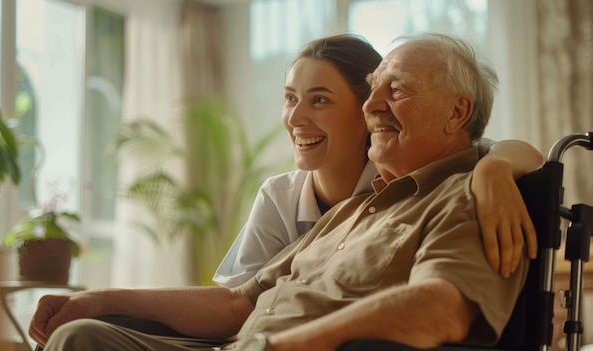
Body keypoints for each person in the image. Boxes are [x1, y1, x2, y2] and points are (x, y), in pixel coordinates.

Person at [30, 33, 530, 351]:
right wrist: (96, 299)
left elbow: (439, 309)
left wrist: (291, 343)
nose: (371, 105)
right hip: (235, 342)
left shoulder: (465, 195)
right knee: (82, 334)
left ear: (457, 113)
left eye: (394, 90)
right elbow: (237, 303)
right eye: (372, 88)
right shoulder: (356, 206)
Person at [213, 34, 542, 287]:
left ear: (363, 109)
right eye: (290, 98)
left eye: (319, 100)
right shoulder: (279, 196)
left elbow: (505, 150)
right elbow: (238, 300)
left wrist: (494, 169)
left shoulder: (403, 171)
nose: (295, 117)